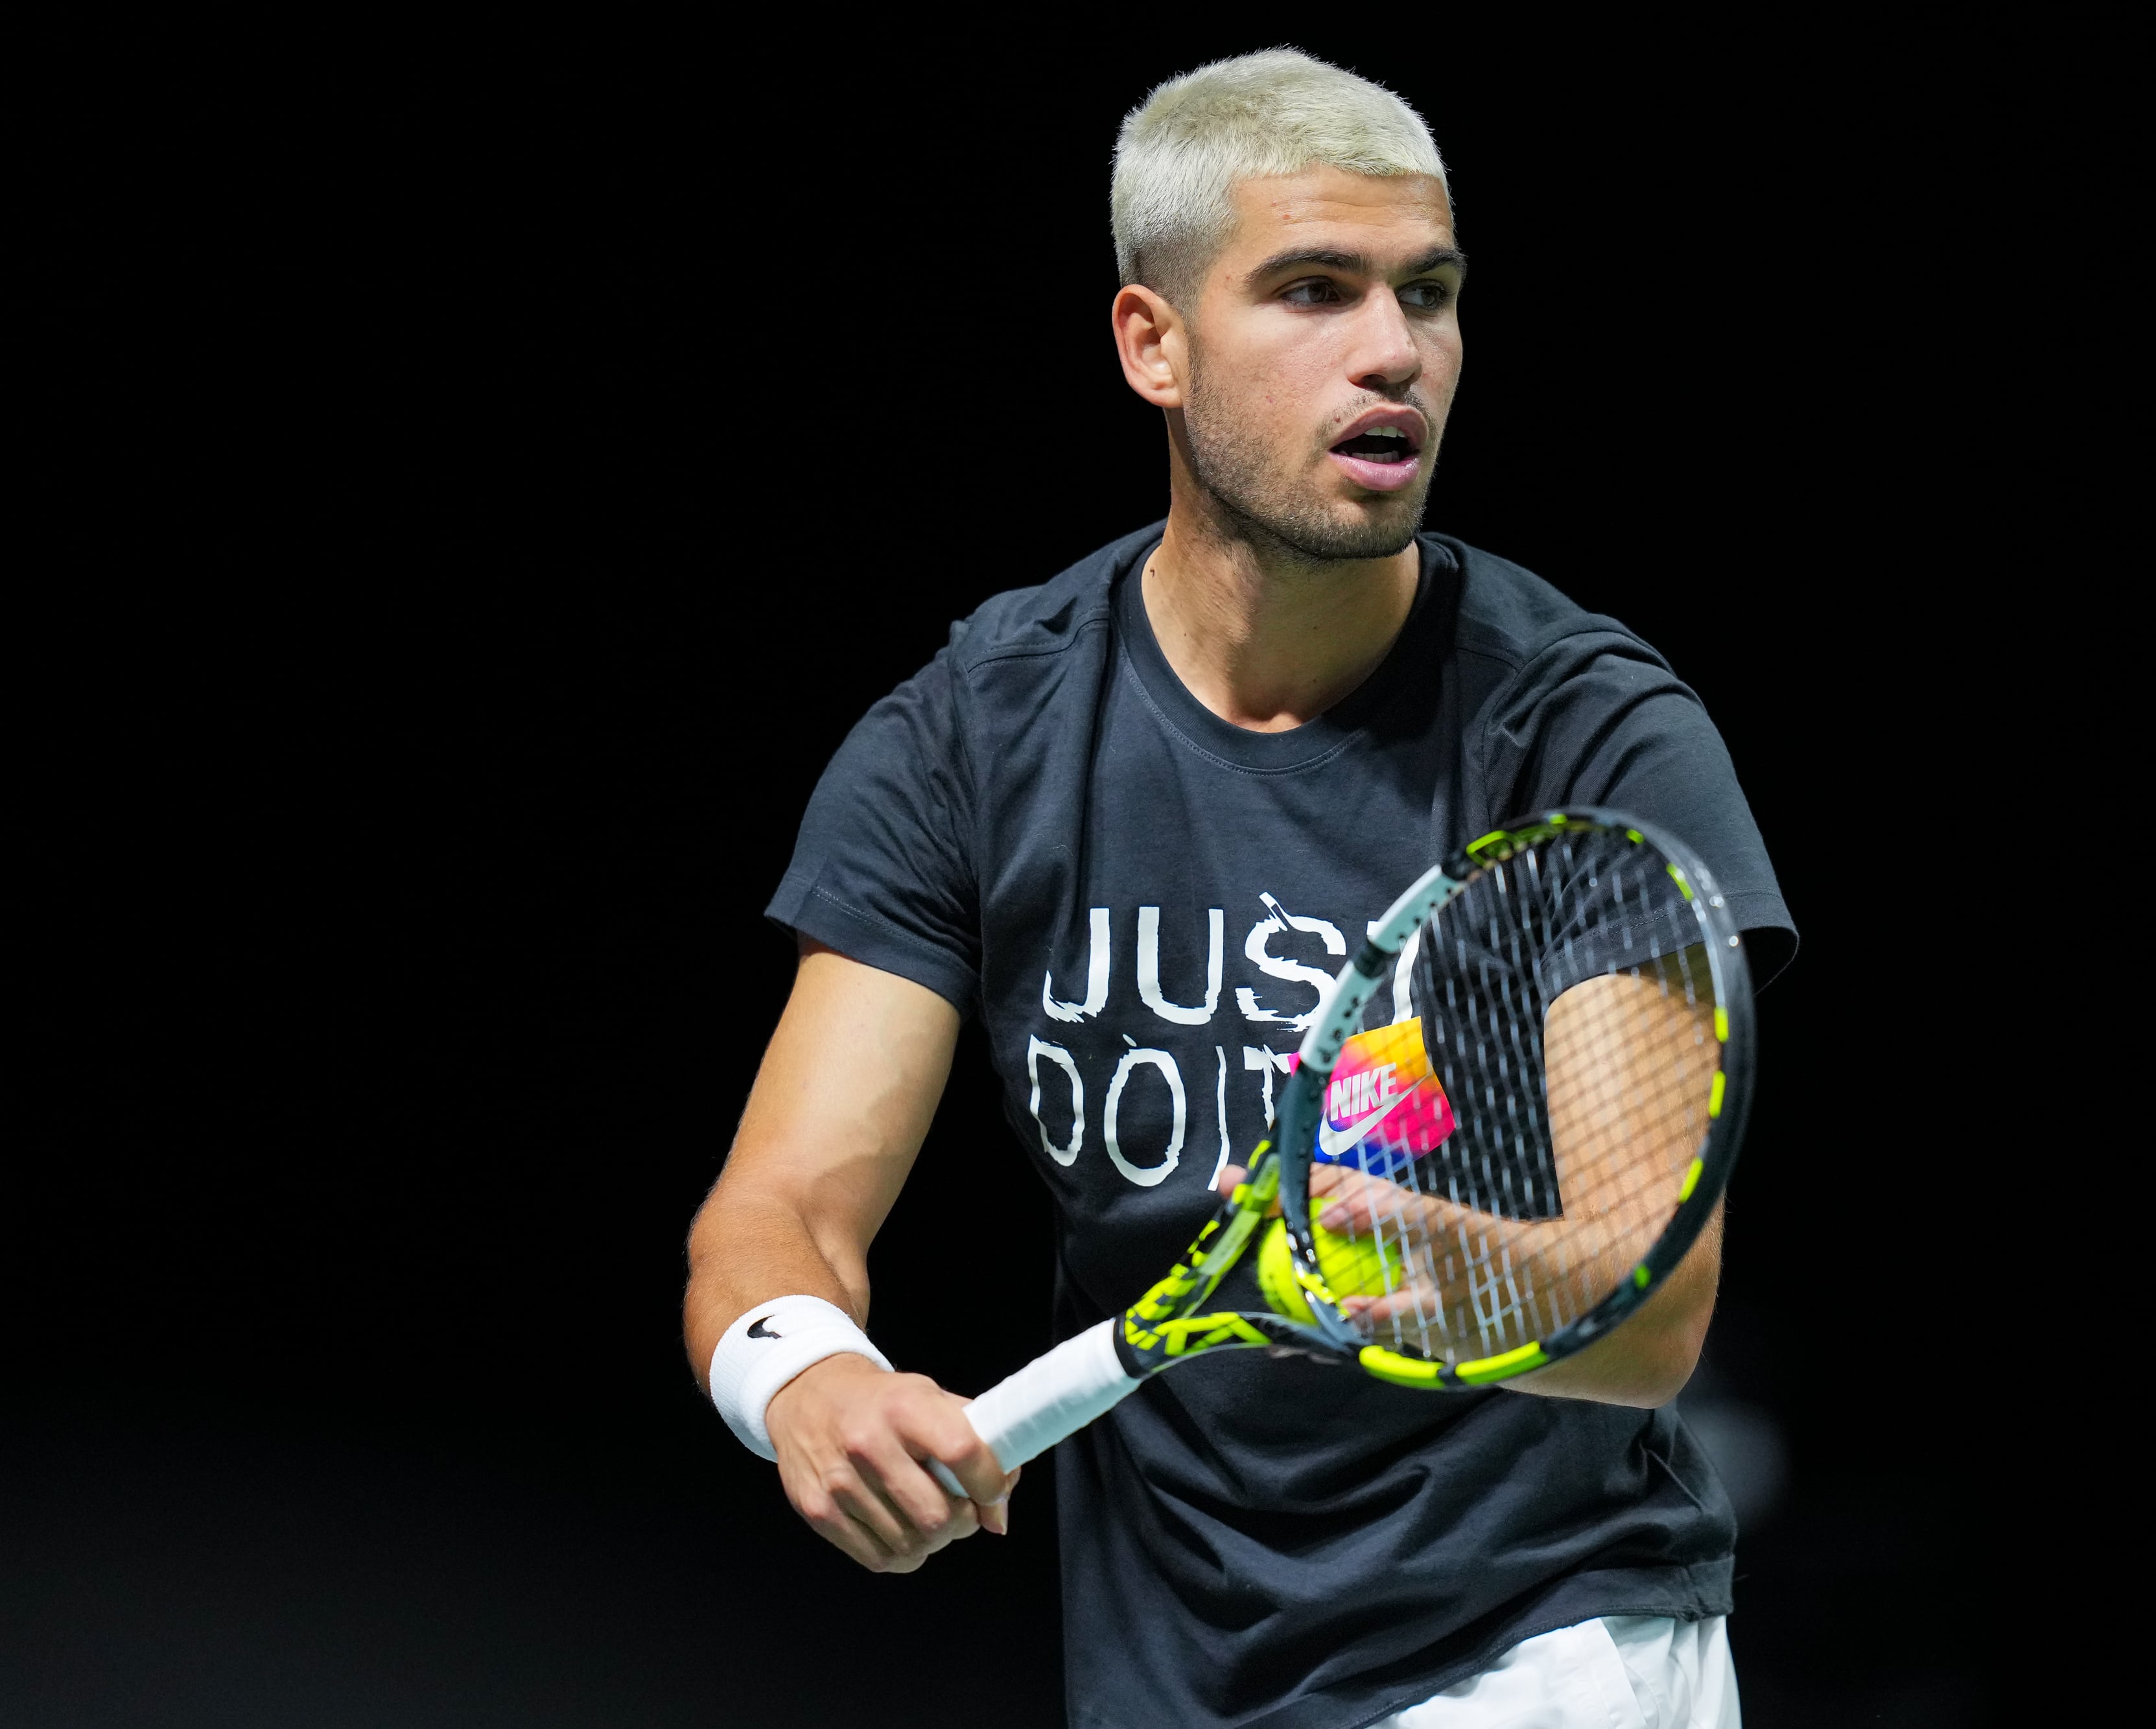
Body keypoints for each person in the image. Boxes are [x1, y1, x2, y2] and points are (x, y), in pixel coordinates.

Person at [683, 48, 1794, 1729]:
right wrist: (805, 1375)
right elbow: (777, 1209)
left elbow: (1648, 1308)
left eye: (1429, 293)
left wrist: (1418, 1271)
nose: (1393, 352)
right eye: (1313, 290)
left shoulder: (1589, 734)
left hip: (1538, 1647)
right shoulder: (981, 729)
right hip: (1172, 1673)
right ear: (1154, 342)